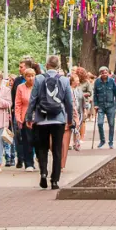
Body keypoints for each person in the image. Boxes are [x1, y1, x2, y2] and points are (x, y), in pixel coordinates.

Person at [25, 54, 75, 189]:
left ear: (46, 65)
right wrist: (70, 119)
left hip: (41, 119)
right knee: (57, 149)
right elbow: (69, 102)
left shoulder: (39, 79)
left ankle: (43, 173)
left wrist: (29, 117)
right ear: (58, 66)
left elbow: (33, 99)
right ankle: (54, 180)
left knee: (42, 148)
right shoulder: (64, 80)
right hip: (58, 120)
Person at [14, 65, 36, 170]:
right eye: (28, 76)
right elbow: (17, 104)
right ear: (25, 77)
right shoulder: (20, 87)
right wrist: (18, 118)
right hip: (25, 117)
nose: (30, 78)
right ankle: (29, 163)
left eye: (32, 76)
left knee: (36, 140)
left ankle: (37, 158)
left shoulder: (38, 86)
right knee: (27, 141)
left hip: (37, 117)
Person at [93, 67, 116, 148]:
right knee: (100, 123)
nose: (104, 74)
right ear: (100, 73)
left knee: (111, 124)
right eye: (103, 73)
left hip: (110, 105)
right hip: (101, 106)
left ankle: (111, 142)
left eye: (106, 73)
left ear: (108, 73)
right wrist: (95, 104)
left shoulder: (111, 81)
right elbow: (95, 94)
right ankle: (102, 140)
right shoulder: (97, 82)